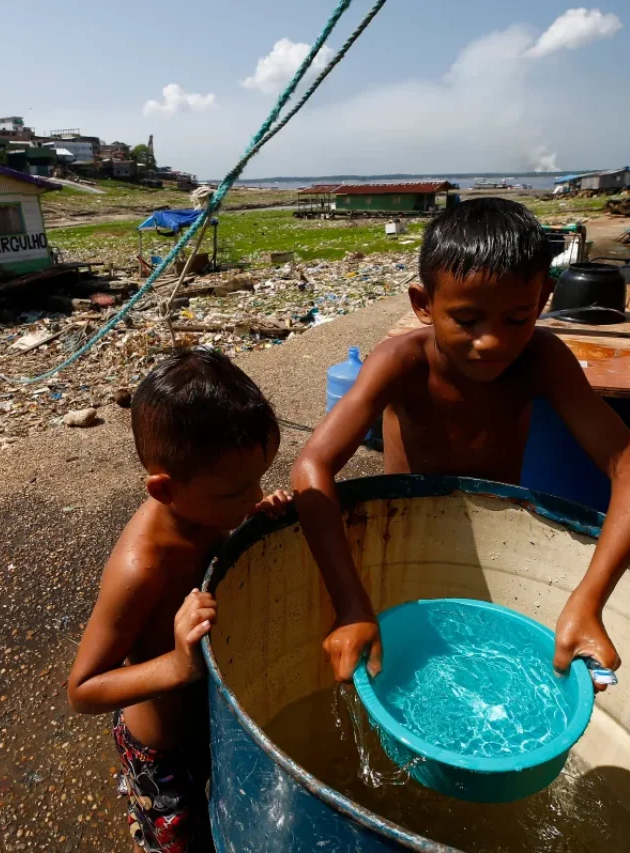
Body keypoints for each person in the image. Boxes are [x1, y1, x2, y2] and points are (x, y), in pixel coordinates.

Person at [292, 197, 630, 687]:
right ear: (423, 304)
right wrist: (349, 603)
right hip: (405, 535)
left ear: (543, 299)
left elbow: (624, 463)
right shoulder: (400, 362)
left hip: (499, 539)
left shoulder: (542, 358)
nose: (491, 341)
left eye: (516, 319)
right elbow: (311, 466)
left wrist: (589, 599)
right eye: (468, 320)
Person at [68, 349, 290, 853]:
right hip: (162, 753)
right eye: (238, 492)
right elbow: (82, 690)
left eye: (261, 477)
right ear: (164, 489)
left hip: (213, 721)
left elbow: (235, 505)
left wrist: (258, 512)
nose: (254, 495)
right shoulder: (142, 568)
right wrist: (177, 663)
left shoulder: (208, 509)